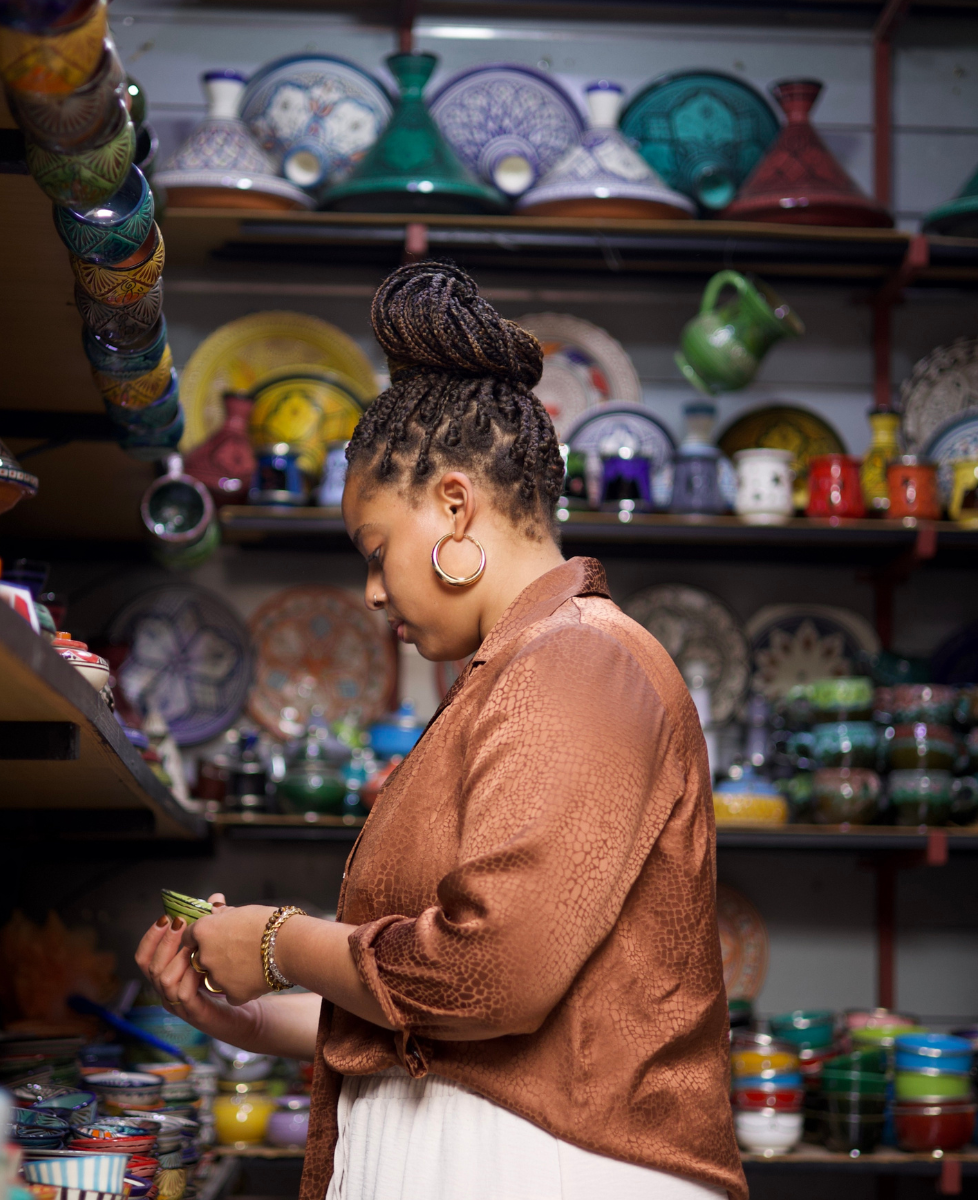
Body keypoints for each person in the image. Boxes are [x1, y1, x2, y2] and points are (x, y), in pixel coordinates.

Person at [136, 260, 745, 1200]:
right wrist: (242, 1014)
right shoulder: (512, 673)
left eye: (376, 550)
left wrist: (275, 943)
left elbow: (487, 975)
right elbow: (429, 1012)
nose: (373, 591)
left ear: (456, 505)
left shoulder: (581, 661)